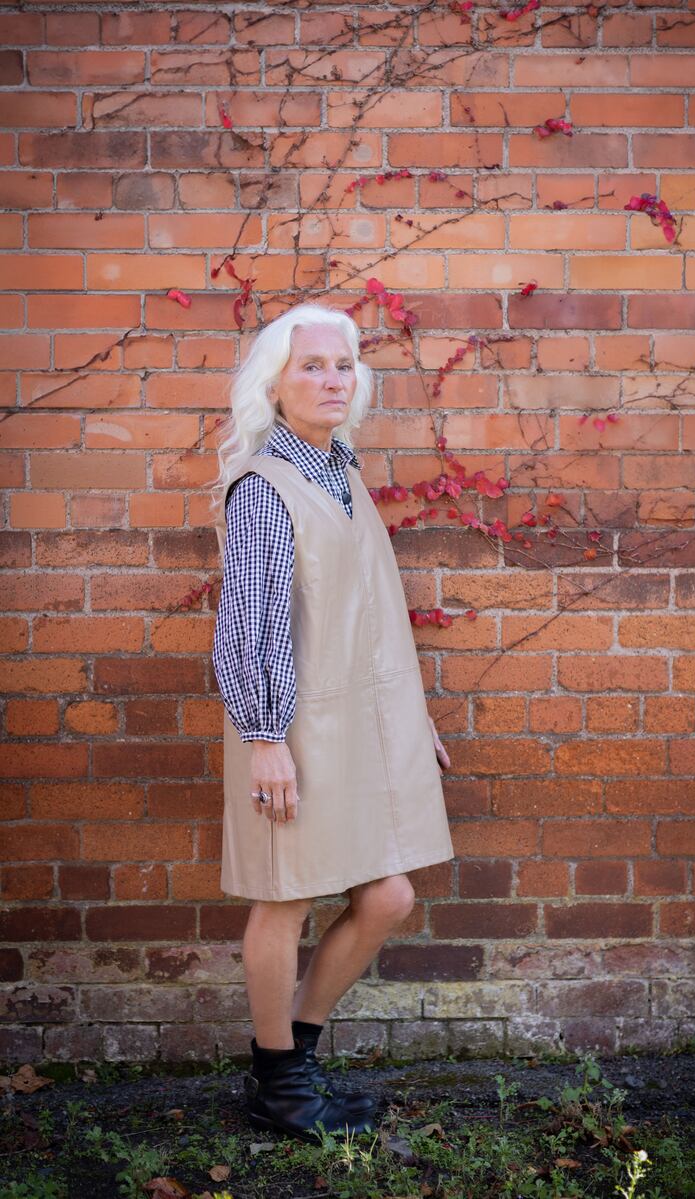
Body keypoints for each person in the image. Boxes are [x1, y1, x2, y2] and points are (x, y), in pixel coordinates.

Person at [210, 301, 455, 1143]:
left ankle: (293, 1062)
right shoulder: (264, 487)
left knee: (388, 894)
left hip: (362, 727)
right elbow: (250, 621)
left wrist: (409, 717)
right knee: (283, 899)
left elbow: (373, 612)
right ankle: (279, 1085)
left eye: (342, 365)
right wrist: (263, 735)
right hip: (288, 733)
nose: (330, 379)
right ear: (274, 382)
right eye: (311, 364)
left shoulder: (339, 466)